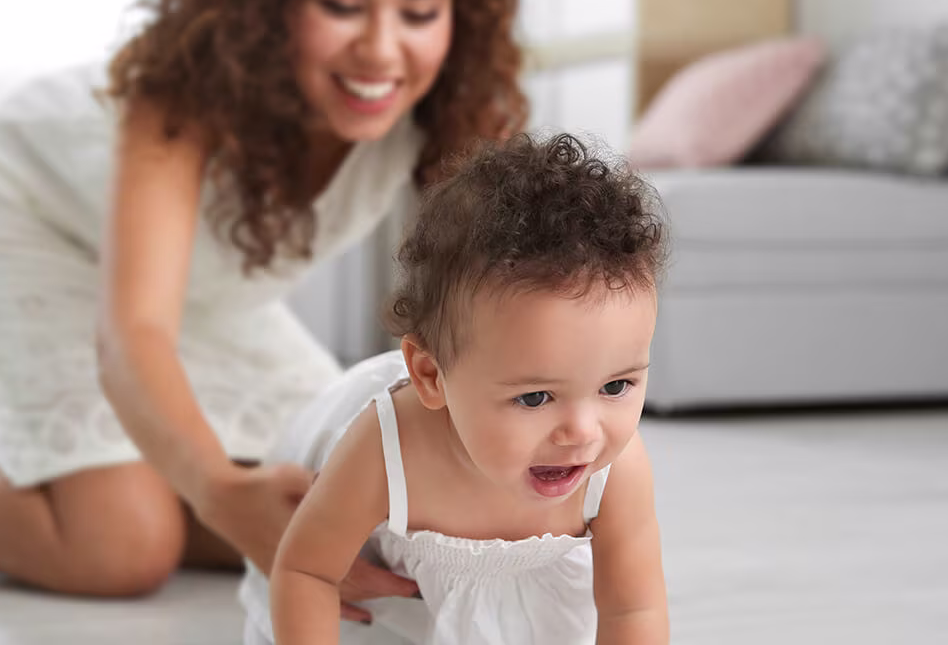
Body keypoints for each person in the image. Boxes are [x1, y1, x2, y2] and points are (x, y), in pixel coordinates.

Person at [0, 0, 528, 614]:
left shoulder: (450, 107)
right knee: (121, 546)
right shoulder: (180, 94)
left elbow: (508, 308)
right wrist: (217, 490)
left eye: (422, 11)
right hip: (30, 221)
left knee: (336, 505)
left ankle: (121, 476)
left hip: (204, 292)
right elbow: (134, 334)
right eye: (340, 4)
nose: (382, 51)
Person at [239, 133, 671, 644]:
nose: (581, 432)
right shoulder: (387, 449)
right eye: (534, 397)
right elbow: (306, 573)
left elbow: (632, 610)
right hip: (387, 596)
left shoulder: (616, 469)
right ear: (429, 377)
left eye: (616, 385)